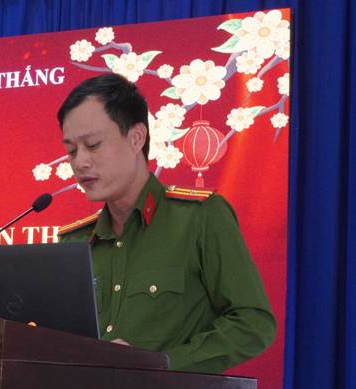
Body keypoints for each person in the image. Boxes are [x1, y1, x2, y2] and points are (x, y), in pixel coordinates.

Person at [56, 73, 276, 373]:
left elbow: (253, 323)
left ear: (136, 138)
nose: (80, 162)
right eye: (71, 151)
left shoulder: (200, 217)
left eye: (93, 145)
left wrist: (162, 364)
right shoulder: (75, 243)